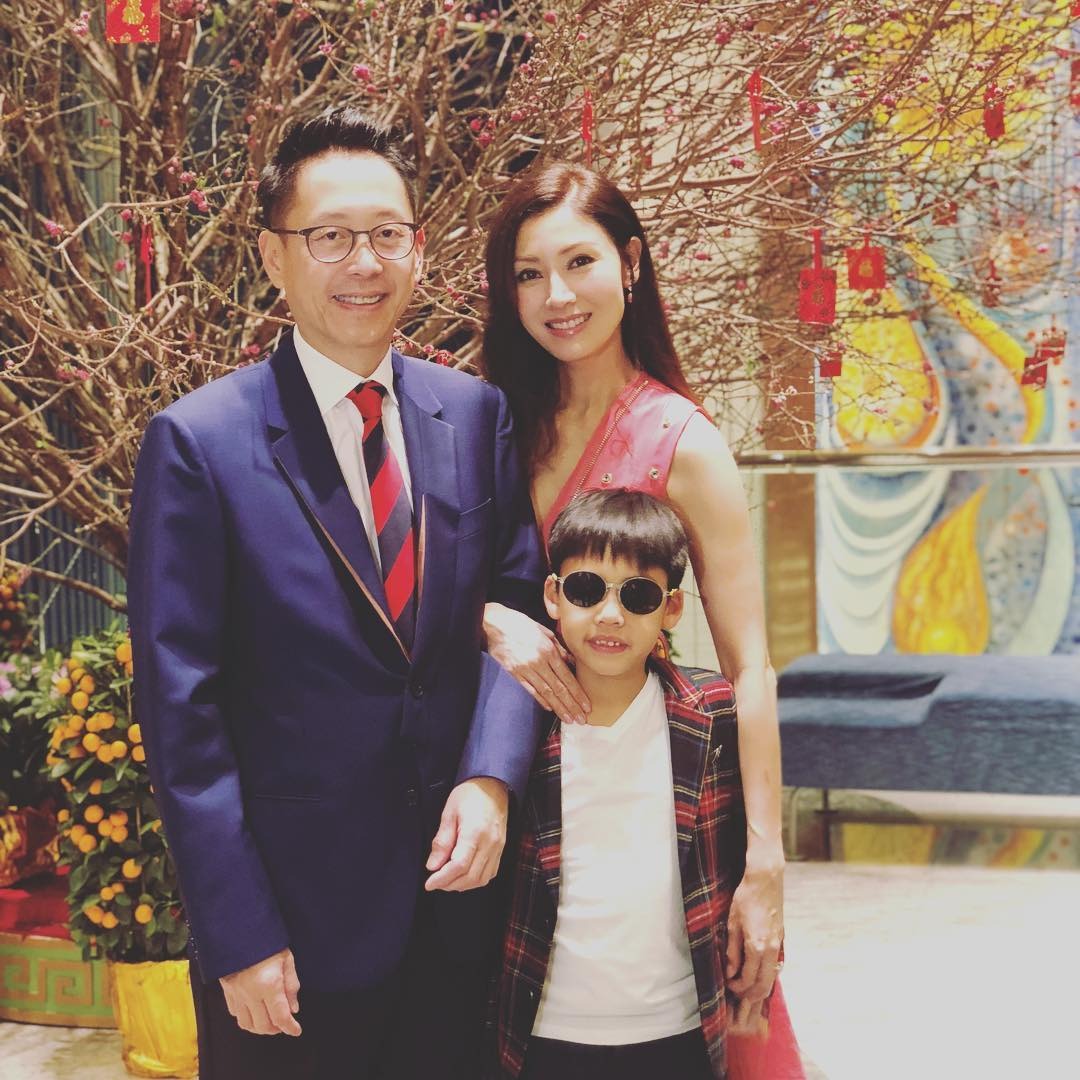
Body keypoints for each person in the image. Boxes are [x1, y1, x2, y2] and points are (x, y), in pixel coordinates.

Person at [127, 107, 546, 1080]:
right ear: (274, 257)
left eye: (387, 234)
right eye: (330, 237)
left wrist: (491, 776)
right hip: (291, 934)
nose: (364, 262)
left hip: (459, 910)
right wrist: (237, 932)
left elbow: (517, 602)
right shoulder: (199, 444)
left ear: (418, 249)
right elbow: (181, 711)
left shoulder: (474, 416)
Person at [481, 162, 803, 1077]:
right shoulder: (495, 423)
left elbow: (749, 667)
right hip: (513, 802)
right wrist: (491, 621)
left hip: (645, 804)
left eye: (578, 262)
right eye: (529, 274)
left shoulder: (683, 442)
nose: (557, 295)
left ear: (630, 265)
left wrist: (766, 862)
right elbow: (443, 592)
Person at [494, 488, 744, 1079]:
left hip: (679, 1028)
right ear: (552, 596)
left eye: (638, 595)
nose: (610, 615)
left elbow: (733, 856)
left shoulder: (711, 712)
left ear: (671, 609)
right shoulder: (515, 718)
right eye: (586, 590)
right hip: (541, 1031)